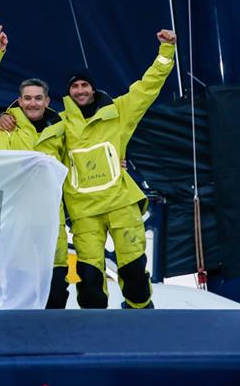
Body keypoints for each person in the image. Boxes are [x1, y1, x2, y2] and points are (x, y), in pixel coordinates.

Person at [61, 29, 177, 309]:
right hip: (84, 212)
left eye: (84, 85)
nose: (80, 91)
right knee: (88, 281)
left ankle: (140, 314)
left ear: (92, 88)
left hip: (120, 204)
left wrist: (166, 52)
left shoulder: (118, 112)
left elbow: (147, 87)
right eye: (74, 87)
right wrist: (8, 116)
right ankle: (96, 333)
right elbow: (33, 139)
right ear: (68, 92)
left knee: (133, 271)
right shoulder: (60, 124)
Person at [0, 78, 69, 308]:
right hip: (18, 218)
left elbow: (76, 160)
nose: (32, 103)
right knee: (19, 285)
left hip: (51, 216)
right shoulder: (5, 129)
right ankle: (21, 338)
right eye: (27, 98)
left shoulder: (62, 129)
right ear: (20, 101)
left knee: (56, 285)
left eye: (37, 98)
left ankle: (54, 339)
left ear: (47, 101)